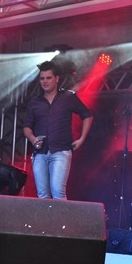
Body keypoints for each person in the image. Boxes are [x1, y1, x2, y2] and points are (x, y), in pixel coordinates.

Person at [22, 61, 93, 199]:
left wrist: (82, 139)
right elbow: (26, 127)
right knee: (42, 194)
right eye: (42, 78)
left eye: (48, 78)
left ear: (57, 79)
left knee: (58, 191)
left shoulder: (68, 97)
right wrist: (33, 139)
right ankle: (46, 215)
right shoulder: (35, 102)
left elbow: (87, 116)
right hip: (40, 153)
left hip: (61, 151)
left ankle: (61, 215)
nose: (45, 81)